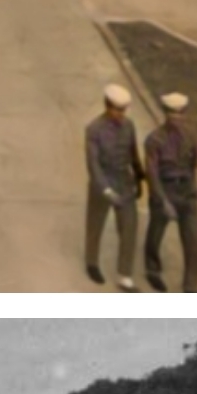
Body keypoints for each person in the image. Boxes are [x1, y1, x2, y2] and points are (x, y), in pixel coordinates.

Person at [85, 83, 145, 289]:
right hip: (103, 182)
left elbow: (133, 153)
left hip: (124, 180)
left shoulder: (129, 126)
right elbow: (93, 164)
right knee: (95, 223)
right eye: (117, 109)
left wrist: (138, 177)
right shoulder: (94, 130)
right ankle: (91, 261)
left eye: (123, 110)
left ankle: (125, 273)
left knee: (129, 226)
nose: (121, 114)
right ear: (108, 107)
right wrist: (105, 189)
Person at [143, 91, 197, 293]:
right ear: (164, 113)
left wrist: (196, 188)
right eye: (171, 113)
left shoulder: (193, 136)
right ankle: (152, 269)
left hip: (186, 190)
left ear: (185, 114)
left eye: (179, 113)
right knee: (156, 232)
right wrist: (163, 201)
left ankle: (191, 285)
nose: (176, 118)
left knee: (194, 239)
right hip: (164, 188)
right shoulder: (154, 140)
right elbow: (152, 173)